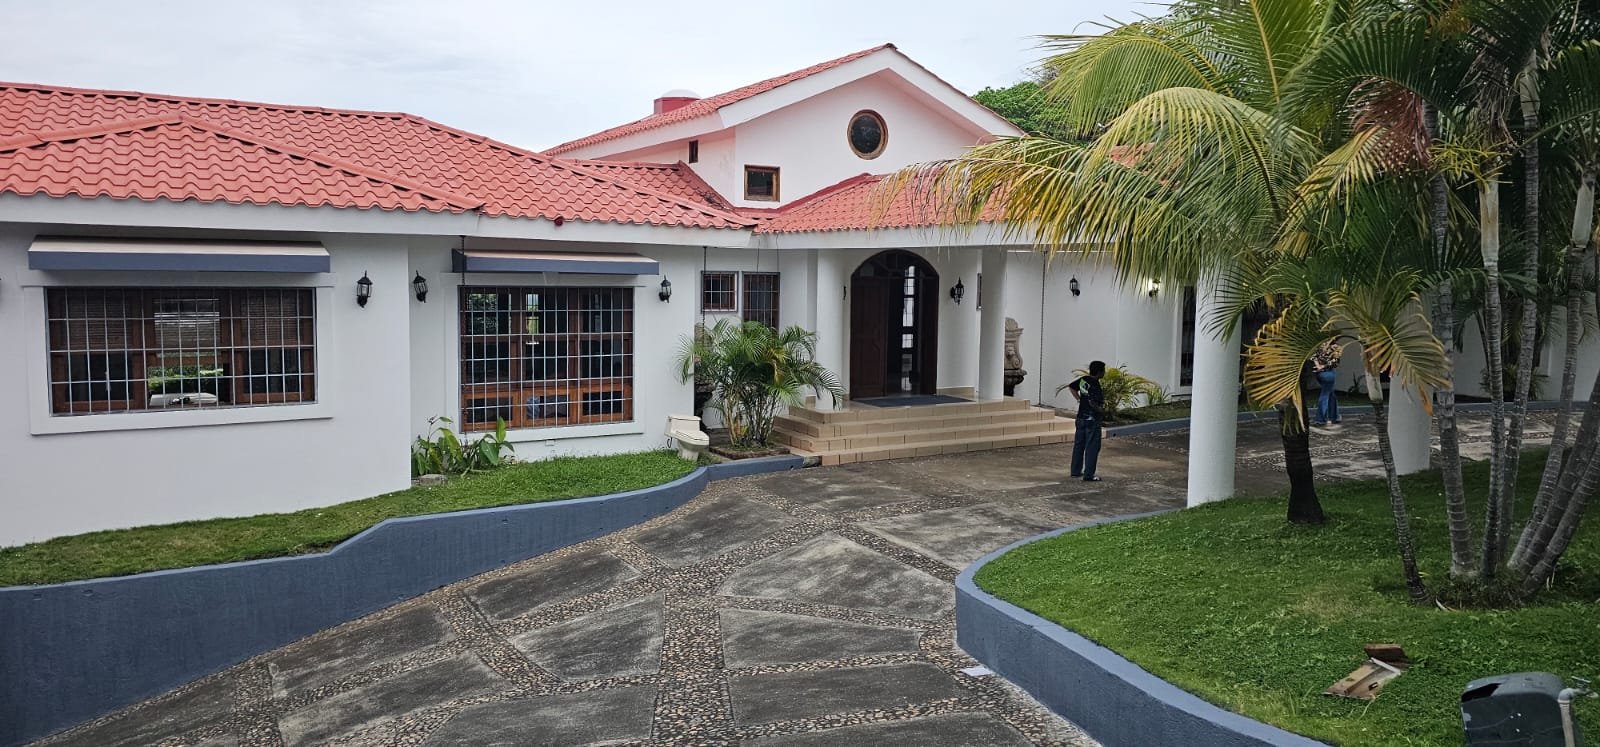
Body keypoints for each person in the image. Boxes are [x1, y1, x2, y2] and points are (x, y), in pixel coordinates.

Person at [1066, 360, 1107, 481]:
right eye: (1103, 371)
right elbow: (1093, 402)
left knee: (1079, 445)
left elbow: (1072, 387)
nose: (1104, 373)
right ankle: (1089, 474)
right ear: (1099, 372)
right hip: (1092, 419)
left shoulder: (1084, 380)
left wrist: (1079, 399)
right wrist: (1101, 410)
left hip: (1081, 417)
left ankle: (1075, 471)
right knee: (1092, 447)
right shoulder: (1095, 385)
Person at [1310, 340, 1343, 426]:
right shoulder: (1336, 347)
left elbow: (1314, 357)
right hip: (1328, 373)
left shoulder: (1321, 345)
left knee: (1331, 394)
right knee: (1325, 395)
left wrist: (1318, 366)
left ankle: (1335, 416)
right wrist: (1323, 366)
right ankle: (1320, 419)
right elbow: (1334, 362)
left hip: (1319, 373)